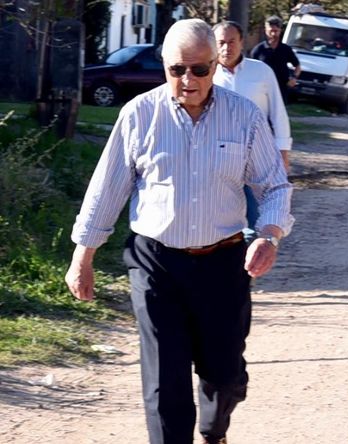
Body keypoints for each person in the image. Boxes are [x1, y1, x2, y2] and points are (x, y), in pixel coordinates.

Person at [64, 19, 293, 444]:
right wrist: (84, 256)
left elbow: (274, 184)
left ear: (215, 66)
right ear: (164, 66)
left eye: (199, 70)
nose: (188, 80)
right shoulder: (139, 115)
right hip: (156, 262)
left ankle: (214, 429)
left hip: (223, 260)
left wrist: (269, 233)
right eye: (177, 70)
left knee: (225, 375)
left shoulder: (243, 115)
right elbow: (107, 187)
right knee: (164, 381)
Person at [213, 21, 293, 243]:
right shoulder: (206, 75)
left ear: (242, 42)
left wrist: (283, 152)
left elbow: (278, 113)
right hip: (218, 157)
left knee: (256, 215)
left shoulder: (261, 72)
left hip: (257, 155)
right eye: (221, 43)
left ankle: (249, 263)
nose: (226, 48)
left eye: (231, 42)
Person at [250, 15, 301, 103]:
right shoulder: (258, 50)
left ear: (280, 31)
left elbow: (297, 66)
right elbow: (250, 69)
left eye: (276, 31)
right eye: (271, 31)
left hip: (281, 89)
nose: (273, 34)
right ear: (266, 31)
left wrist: (294, 78)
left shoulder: (285, 49)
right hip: (262, 89)